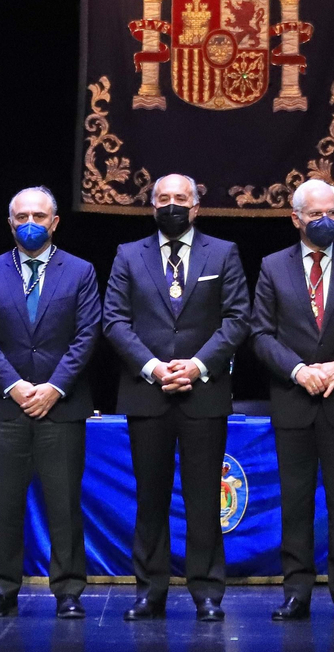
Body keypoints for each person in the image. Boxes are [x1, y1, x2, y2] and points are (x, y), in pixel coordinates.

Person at [104, 174, 251, 622]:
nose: (172, 205)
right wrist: (153, 368)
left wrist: (196, 366)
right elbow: (114, 320)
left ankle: (207, 592)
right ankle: (150, 591)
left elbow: (237, 318)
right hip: (146, 394)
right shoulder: (128, 254)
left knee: (204, 497)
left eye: (180, 199)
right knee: (150, 498)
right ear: (152, 206)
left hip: (202, 393)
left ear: (196, 206)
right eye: (163, 198)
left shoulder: (222, 252)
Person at [0, 186, 100, 620]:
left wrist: (54, 387)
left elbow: (87, 334)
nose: (30, 223)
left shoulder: (80, 271)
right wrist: (15, 386)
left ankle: (68, 592)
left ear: (54, 222)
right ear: (10, 223)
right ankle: (2, 589)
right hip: (6, 407)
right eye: (21, 216)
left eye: (38, 216)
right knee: (4, 506)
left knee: (63, 505)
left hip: (62, 407)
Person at [250, 179, 334, 623]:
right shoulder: (271, 266)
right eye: (316, 214)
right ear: (296, 218)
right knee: (296, 501)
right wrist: (299, 370)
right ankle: (296, 591)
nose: (326, 221)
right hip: (293, 399)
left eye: (333, 214)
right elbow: (260, 333)